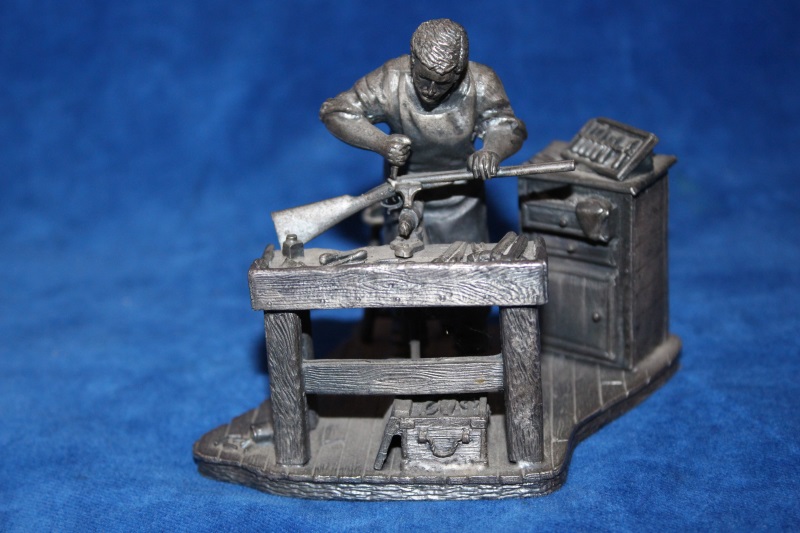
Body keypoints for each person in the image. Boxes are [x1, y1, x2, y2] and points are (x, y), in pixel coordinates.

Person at [319, 18, 527, 245]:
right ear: (413, 61)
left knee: (468, 261)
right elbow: (336, 112)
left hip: (462, 197)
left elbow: (506, 125)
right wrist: (381, 143)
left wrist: (492, 151)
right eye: (423, 78)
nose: (430, 90)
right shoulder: (390, 80)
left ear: (459, 74)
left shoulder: (482, 82)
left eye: (442, 83)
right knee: (400, 260)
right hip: (404, 195)